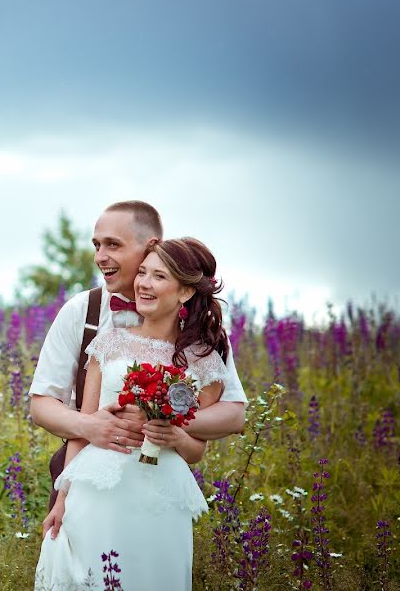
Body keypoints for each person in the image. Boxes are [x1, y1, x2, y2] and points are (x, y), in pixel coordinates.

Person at [28, 201, 247, 530]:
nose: (100, 256)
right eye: (97, 245)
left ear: (151, 247)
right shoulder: (81, 312)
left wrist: (163, 420)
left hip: (158, 484)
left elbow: (232, 413)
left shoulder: (199, 333)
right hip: (86, 474)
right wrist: (89, 427)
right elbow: (41, 403)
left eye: (113, 244)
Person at [34, 237, 233, 590]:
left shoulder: (204, 361)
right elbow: (83, 426)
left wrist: (174, 434)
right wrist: (62, 498)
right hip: (97, 488)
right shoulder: (109, 343)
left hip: (162, 496)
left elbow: (197, 451)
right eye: (142, 272)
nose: (143, 283)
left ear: (184, 292)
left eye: (158, 276)